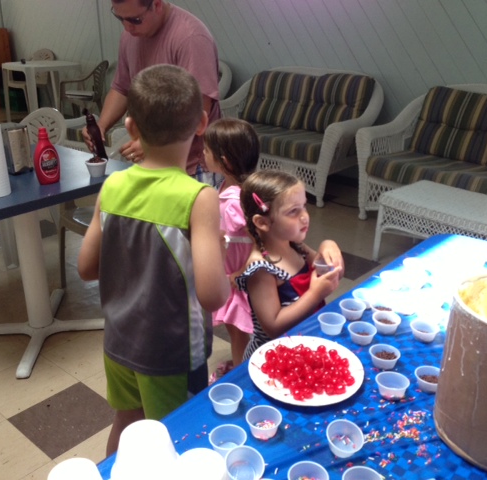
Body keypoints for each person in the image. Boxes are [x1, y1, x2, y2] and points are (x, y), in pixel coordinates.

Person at [77, 64, 230, 456]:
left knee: (126, 423)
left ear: (130, 127)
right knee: (173, 437)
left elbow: (87, 268)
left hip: (119, 341)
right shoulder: (199, 197)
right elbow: (213, 295)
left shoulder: (113, 185)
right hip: (170, 352)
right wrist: (221, 253)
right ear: (202, 123)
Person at [84, 0, 221, 184]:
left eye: (135, 19)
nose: (127, 27)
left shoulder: (191, 38)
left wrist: (154, 143)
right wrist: (100, 126)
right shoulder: (129, 36)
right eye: (120, 18)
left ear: (156, 4)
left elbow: (198, 108)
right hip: (153, 164)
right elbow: (122, 89)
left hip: (192, 167)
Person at [237, 170, 344, 360]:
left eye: (304, 206)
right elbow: (273, 326)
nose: (305, 216)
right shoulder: (261, 269)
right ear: (262, 222)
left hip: (302, 345)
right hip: (273, 357)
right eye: (293, 211)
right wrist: (315, 294)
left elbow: (332, 272)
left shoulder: (295, 245)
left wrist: (328, 245)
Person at [203, 118, 259, 370]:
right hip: (232, 276)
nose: (203, 154)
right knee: (236, 330)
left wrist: (242, 271)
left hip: (239, 280)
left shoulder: (236, 201)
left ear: (224, 161)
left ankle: (240, 375)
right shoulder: (230, 187)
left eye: (206, 150)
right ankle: (241, 365)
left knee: (238, 333)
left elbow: (262, 242)